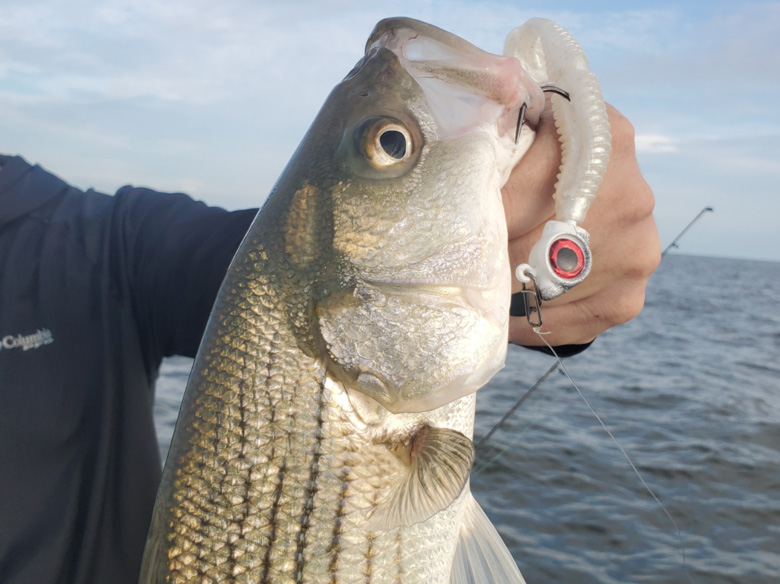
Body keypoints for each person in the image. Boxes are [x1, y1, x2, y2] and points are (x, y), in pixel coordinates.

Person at [0, 103, 659, 584]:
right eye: (392, 144)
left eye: (391, 144)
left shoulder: (95, 241)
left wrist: (547, 259)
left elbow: (301, 274)